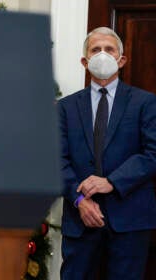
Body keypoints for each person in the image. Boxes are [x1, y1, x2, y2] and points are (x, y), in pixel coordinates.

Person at [58, 26, 156, 279]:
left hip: (130, 220)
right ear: (85, 61)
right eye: (95, 50)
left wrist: (111, 182)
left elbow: (152, 153)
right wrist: (80, 200)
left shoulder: (146, 103)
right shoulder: (65, 108)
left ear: (121, 60)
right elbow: (55, 160)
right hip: (80, 220)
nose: (102, 54)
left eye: (109, 49)